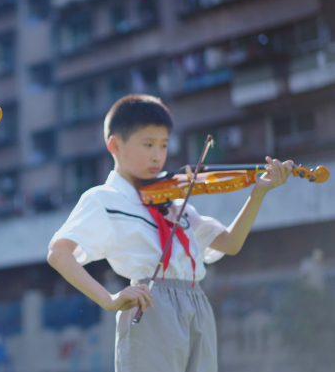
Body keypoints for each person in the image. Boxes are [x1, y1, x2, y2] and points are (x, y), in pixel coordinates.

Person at [47, 94, 292, 372]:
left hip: (197, 301)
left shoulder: (175, 203)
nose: (157, 155)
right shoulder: (104, 199)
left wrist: (258, 194)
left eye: (164, 145)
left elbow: (229, 244)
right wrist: (110, 300)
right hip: (151, 303)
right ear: (114, 144)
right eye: (148, 144)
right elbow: (58, 253)